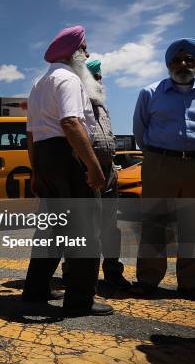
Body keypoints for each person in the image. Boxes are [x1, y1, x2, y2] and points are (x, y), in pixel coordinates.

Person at [23, 25, 113, 316]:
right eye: (84, 49)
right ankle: (80, 301)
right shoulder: (68, 79)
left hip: (47, 159)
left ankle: (35, 289)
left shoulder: (39, 84)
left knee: (51, 230)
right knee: (85, 232)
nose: (87, 54)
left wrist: (37, 172)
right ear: (75, 53)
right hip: (67, 156)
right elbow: (71, 123)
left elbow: (32, 136)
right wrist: (93, 166)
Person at [132, 38, 195, 300]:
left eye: (189, 59)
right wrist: (157, 155)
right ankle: (148, 279)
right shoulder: (150, 92)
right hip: (159, 162)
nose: (182, 64)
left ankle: (190, 283)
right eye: (176, 60)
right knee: (155, 223)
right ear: (168, 64)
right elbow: (139, 130)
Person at [62, 59, 131, 289]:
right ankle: (73, 273)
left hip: (109, 170)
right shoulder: (74, 103)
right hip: (85, 169)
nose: (100, 80)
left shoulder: (101, 105)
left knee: (110, 227)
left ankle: (112, 272)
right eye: (95, 76)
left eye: (100, 76)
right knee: (82, 226)